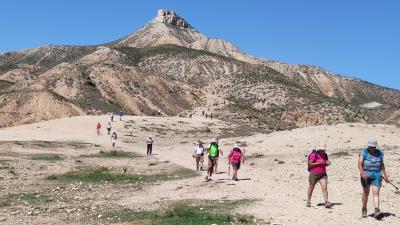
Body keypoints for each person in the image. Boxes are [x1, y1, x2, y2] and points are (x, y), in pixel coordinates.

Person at [358, 139, 389, 218]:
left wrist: (385, 175)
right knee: (366, 193)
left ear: (375, 147)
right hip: (366, 175)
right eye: (371, 147)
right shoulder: (364, 152)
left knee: (376, 193)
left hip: (377, 175)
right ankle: (364, 209)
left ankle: (376, 210)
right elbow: (360, 164)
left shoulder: (380, 153)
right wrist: (362, 173)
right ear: (368, 146)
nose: (372, 148)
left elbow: (382, 165)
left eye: (373, 147)